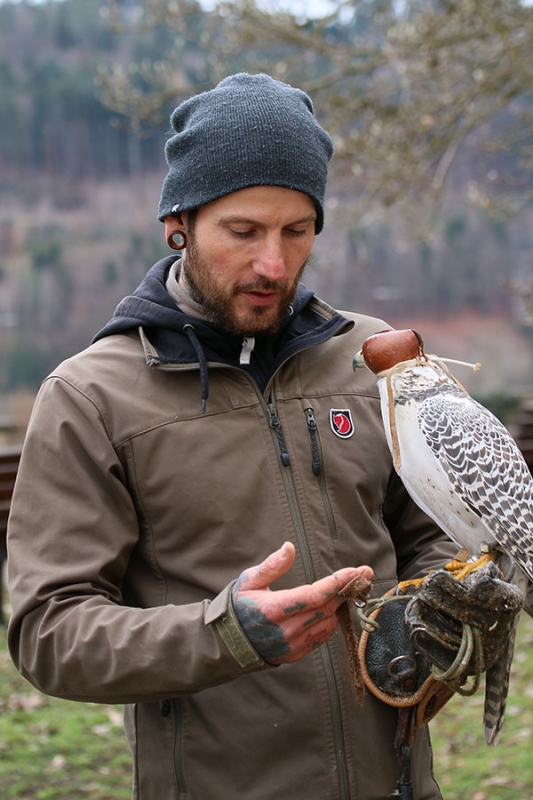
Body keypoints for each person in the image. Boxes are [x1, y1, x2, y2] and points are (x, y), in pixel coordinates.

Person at [7, 73, 458, 800]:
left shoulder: (375, 360)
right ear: (178, 223)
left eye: (296, 230)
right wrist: (225, 635)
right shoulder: (90, 397)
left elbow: (438, 531)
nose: (272, 265)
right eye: (243, 232)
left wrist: (432, 609)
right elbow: (49, 634)